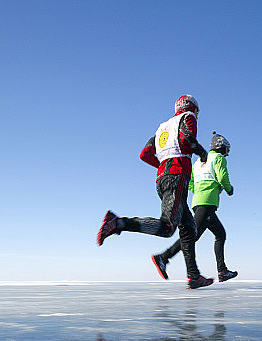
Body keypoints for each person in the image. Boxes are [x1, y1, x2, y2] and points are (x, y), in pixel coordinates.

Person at [96, 95, 213, 289]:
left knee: (189, 227)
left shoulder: (162, 128)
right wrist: (201, 153)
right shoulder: (188, 117)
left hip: (163, 177)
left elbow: (145, 154)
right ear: (192, 108)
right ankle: (117, 223)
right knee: (167, 227)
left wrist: (163, 165)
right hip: (177, 176)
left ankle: (193, 276)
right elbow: (187, 138)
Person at [152, 132, 238, 283]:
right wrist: (229, 189)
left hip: (198, 202)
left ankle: (222, 270)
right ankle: (164, 257)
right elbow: (222, 177)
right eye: (227, 150)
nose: (228, 154)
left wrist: (198, 191)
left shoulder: (198, 162)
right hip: (208, 203)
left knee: (219, 234)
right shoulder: (218, 159)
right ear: (222, 148)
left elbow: (190, 182)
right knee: (191, 237)